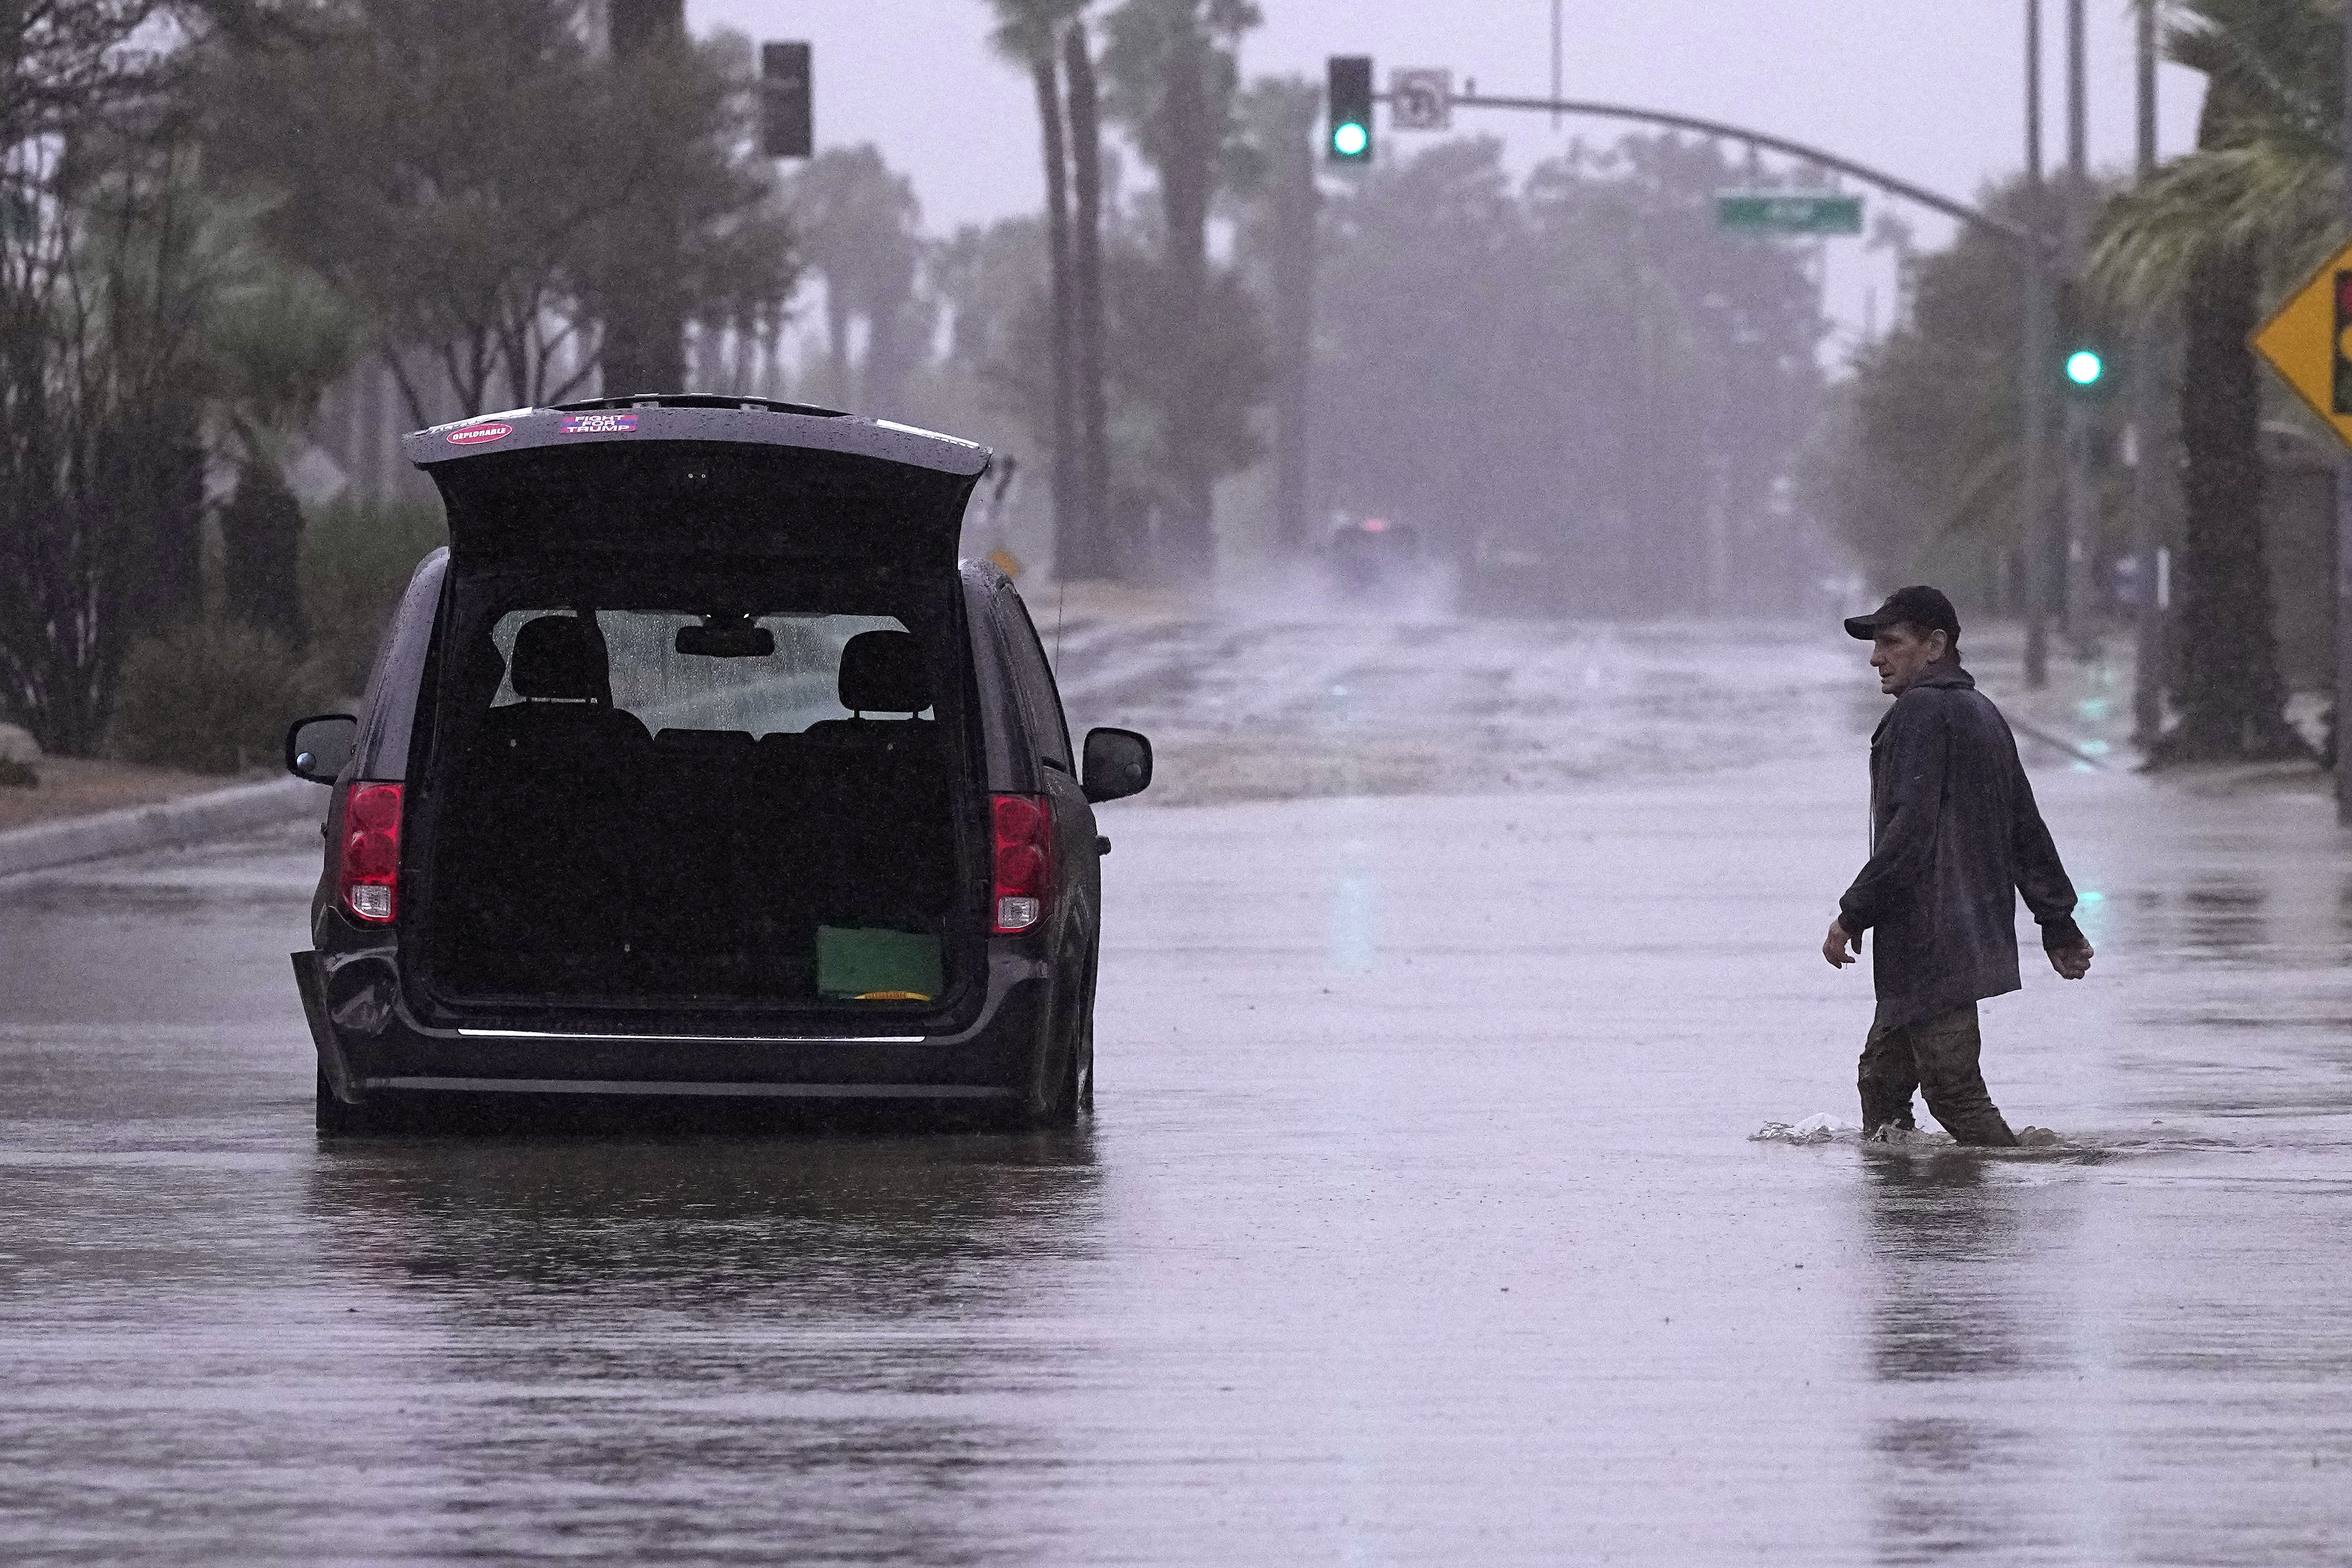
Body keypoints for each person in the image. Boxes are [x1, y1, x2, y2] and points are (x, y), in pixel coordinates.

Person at [1821, 586, 2093, 1146]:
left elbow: (1909, 833)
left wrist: (1852, 914)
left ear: (1935, 645)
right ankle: (1907, 1207)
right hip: (1960, 936)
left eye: (1891, 643)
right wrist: (2056, 922)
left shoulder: (1920, 712)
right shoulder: (1980, 712)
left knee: (1953, 1093)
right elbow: (2025, 826)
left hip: (1931, 941)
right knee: (1881, 1082)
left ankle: (1985, 1216)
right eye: (1875, 645)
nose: (1876, 658)